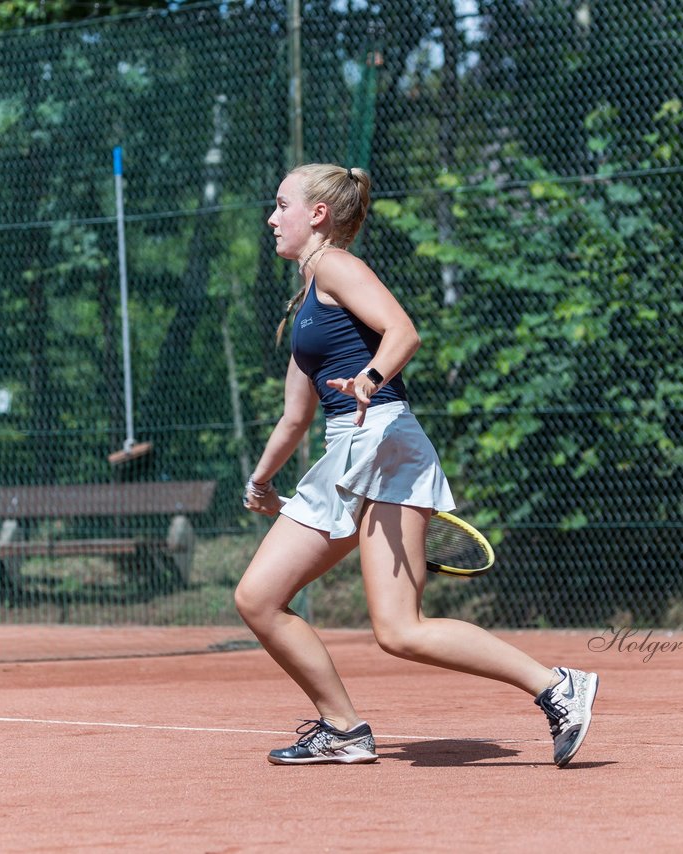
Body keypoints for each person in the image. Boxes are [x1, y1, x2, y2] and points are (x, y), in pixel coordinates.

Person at [236, 162, 598, 767]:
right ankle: (343, 729)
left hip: (387, 442)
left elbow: (402, 332)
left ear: (317, 215)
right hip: (348, 451)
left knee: (399, 629)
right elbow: (295, 417)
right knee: (260, 598)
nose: (272, 219)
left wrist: (370, 380)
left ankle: (557, 687)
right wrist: (262, 482)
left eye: (281, 205)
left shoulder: (336, 266)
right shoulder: (306, 300)